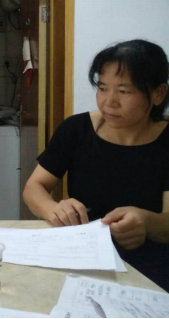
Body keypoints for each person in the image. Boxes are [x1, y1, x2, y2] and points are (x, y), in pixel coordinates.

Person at [23, 40, 169, 291]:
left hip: (152, 269)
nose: (109, 101)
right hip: (83, 260)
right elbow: (34, 187)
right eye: (102, 88)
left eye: (124, 91)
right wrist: (53, 208)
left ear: (158, 94)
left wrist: (146, 222)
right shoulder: (77, 129)